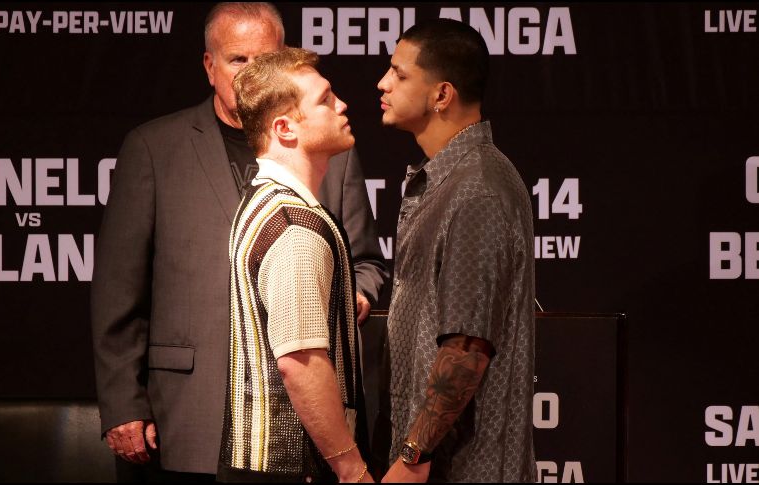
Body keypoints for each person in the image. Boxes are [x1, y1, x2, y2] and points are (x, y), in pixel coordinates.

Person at [90, 2, 387, 479]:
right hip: (188, 410)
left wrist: (340, 302)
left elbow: (366, 263)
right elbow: (117, 288)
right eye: (237, 60)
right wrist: (123, 400)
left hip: (293, 421)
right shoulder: (153, 148)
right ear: (210, 66)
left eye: (264, 60)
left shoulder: (327, 149)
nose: (251, 75)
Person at [376, 19, 537, 482]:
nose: (382, 83)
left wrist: (412, 456)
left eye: (399, 74)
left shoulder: (478, 192)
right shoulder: (446, 181)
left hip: (467, 470)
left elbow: (467, 349)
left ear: (441, 94)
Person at [218, 46, 372, 483]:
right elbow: (300, 362)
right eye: (324, 100)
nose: (341, 105)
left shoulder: (262, 200)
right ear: (284, 128)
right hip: (295, 469)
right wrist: (353, 472)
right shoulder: (292, 225)